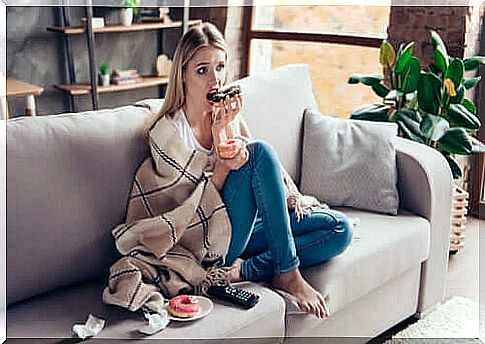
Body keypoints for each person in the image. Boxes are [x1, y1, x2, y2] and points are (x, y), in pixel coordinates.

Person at [143, 22, 352, 319]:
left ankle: (246, 269)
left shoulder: (229, 119)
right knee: (260, 152)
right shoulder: (167, 135)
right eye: (202, 70)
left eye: (220, 67)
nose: (214, 80)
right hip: (205, 240)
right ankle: (288, 273)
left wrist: (224, 131)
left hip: (244, 231)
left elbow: (261, 188)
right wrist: (220, 150)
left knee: (339, 228)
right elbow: (188, 218)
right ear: (183, 75)